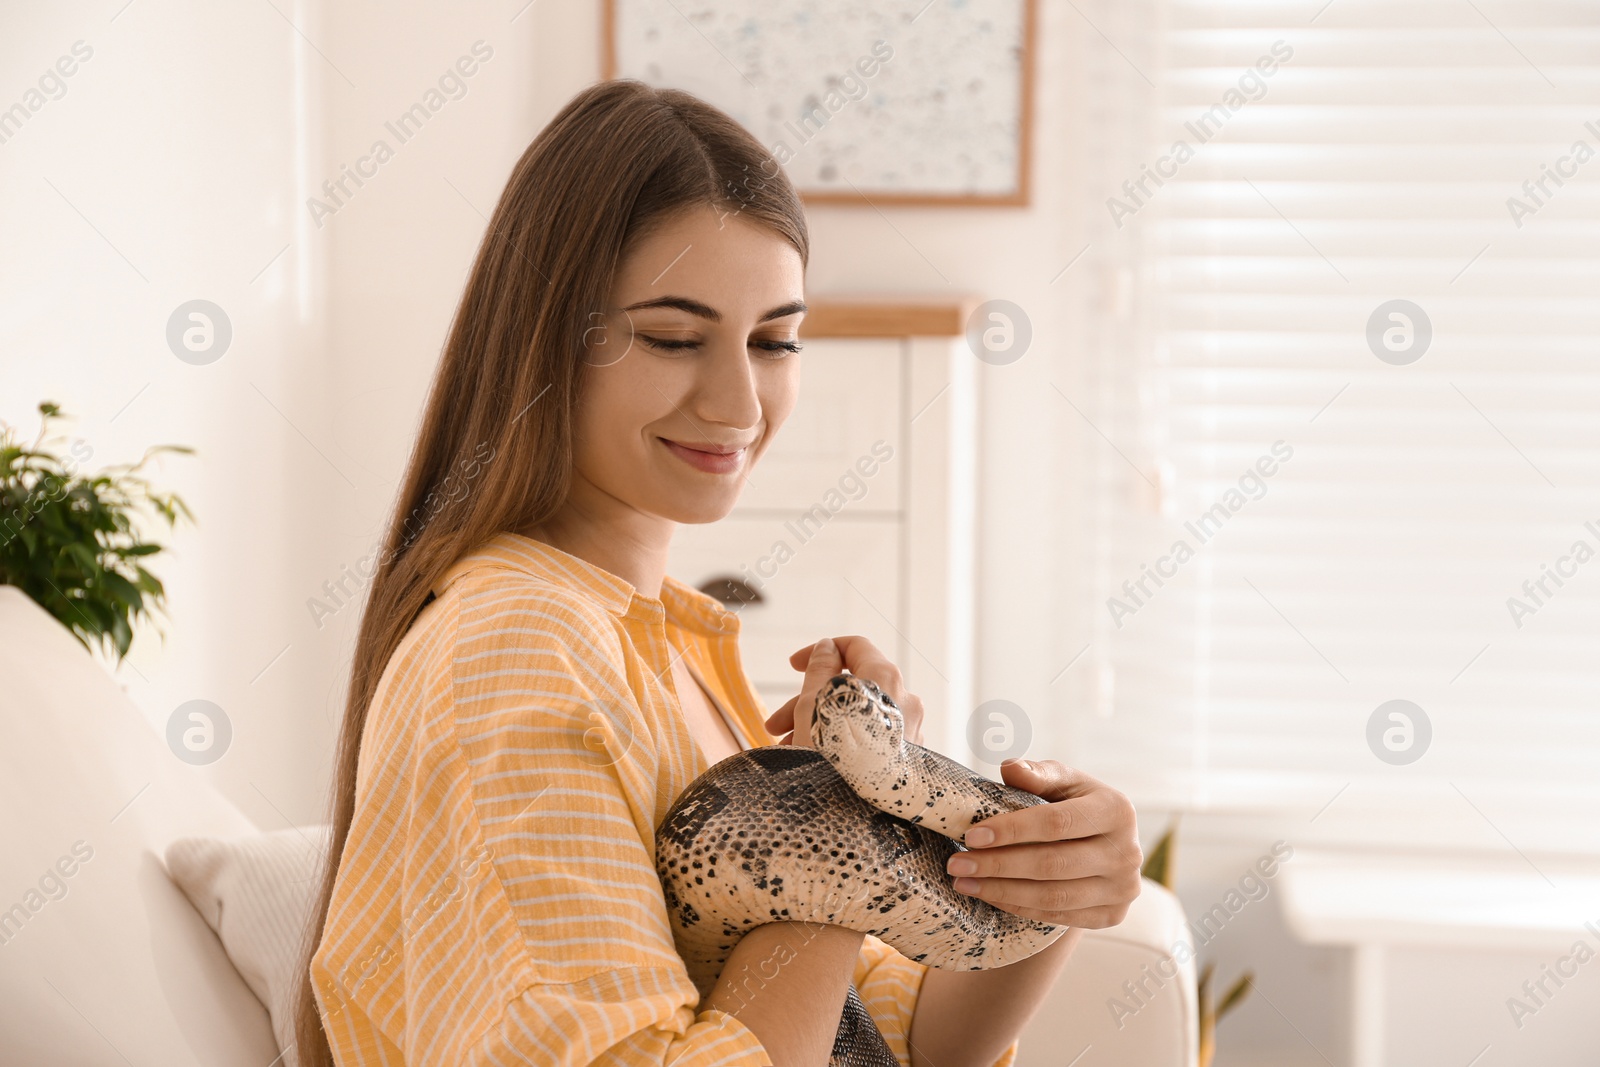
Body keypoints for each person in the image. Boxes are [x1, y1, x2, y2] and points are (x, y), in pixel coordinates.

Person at [292, 78, 1143, 1067]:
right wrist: (833, 832)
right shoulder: (516, 649)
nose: (740, 401)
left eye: (775, 340)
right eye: (674, 337)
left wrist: (1052, 877)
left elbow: (888, 1039)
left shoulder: (663, 642)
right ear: (544, 342)